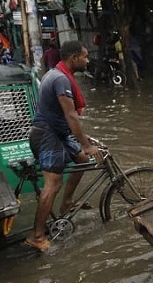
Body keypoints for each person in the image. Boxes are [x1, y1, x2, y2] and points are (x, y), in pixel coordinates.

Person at [27, 40, 104, 252]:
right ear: (74, 58)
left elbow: (64, 117)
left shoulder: (55, 74)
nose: (87, 60)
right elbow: (70, 115)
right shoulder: (60, 79)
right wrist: (87, 144)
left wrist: (84, 142)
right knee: (53, 184)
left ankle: (67, 202)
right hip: (47, 135)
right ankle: (37, 236)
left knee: (82, 159)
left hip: (56, 132)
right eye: (85, 57)